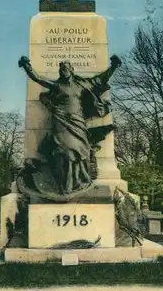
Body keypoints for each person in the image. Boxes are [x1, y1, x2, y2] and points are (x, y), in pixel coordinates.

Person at [18, 55, 121, 194]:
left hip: (78, 121)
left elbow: (100, 79)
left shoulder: (82, 85)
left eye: (66, 68)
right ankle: (66, 183)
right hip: (61, 120)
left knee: (81, 149)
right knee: (64, 149)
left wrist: (113, 66)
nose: (64, 70)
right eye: (61, 69)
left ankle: (80, 180)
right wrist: (26, 66)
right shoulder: (57, 85)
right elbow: (38, 78)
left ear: (72, 70)